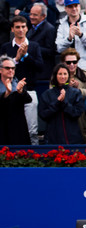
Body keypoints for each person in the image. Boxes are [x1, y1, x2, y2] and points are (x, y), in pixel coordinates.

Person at [0, 15, 43, 145]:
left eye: (23, 27)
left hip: (29, 90)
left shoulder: (34, 46)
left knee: (32, 130)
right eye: (17, 27)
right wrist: (17, 59)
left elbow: (40, 67)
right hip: (9, 92)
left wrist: (26, 55)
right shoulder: (6, 47)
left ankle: (33, 158)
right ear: (12, 29)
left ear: (27, 28)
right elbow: (3, 67)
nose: (20, 30)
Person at [38, 63, 85, 144]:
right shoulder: (47, 94)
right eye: (60, 74)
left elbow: (77, 113)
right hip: (53, 137)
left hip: (72, 137)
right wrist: (57, 102)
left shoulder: (75, 93)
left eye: (65, 74)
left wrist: (64, 102)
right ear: (55, 75)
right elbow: (43, 114)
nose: (63, 77)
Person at [56, 0, 86, 73]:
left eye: (76, 6)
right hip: (68, 68)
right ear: (65, 8)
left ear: (80, 6)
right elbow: (59, 48)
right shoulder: (61, 24)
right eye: (70, 6)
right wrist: (69, 39)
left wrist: (81, 35)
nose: (74, 9)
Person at [62, 48, 86, 140]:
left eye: (74, 62)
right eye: (68, 62)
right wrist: (67, 87)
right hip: (64, 110)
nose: (72, 65)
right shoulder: (58, 74)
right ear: (63, 62)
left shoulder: (85, 75)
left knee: (83, 135)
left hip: (81, 112)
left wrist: (78, 90)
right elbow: (52, 92)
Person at [0, 55, 31, 145]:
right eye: (7, 68)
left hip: (18, 126)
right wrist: (6, 93)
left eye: (13, 68)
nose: (11, 70)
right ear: (0, 70)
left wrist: (20, 91)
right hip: (2, 126)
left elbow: (29, 100)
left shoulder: (18, 83)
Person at [27, 2, 57, 81]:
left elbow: (50, 51)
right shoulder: (31, 28)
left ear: (43, 16)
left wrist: (32, 48)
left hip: (43, 73)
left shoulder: (49, 29)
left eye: (35, 15)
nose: (31, 17)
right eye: (30, 14)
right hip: (33, 71)